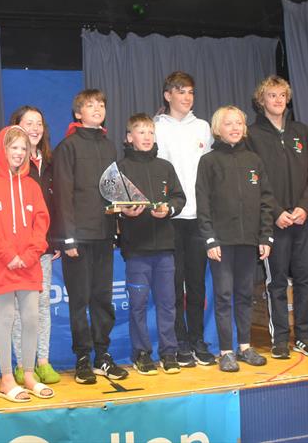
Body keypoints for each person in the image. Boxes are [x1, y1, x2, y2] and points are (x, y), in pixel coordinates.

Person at [51, 88, 129, 384]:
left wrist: (122, 219)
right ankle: (82, 357)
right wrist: (68, 238)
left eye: (101, 104)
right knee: (80, 300)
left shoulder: (109, 146)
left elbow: (114, 192)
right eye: (90, 105)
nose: (97, 108)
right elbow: (63, 195)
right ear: (77, 113)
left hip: (104, 236)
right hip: (78, 239)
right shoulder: (67, 147)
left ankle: (102, 356)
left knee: (103, 299)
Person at [0, 126, 54, 402]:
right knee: (6, 318)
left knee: (31, 318)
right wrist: (9, 255)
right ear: (2, 150)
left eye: (23, 149)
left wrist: (31, 254)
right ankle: (7, 379)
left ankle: (28, 374)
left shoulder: (32, 186)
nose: (19, 153)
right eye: (14, 148)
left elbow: (41, 222)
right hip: (0, 263)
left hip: (29, 263)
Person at [246, 76, 308, 359]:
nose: (277, 100)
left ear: (287, 99)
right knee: (276, 282)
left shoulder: (301, 131)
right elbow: (254, 179)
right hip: (273, 223)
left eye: (282, 95)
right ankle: (279, 338)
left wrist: (304, 207)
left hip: (303, 221)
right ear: (261, 100)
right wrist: (276, 212)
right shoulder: (252, 135)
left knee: (305, 279)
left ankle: (303, 336)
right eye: (271, 95)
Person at [196, 106, 274, 372]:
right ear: (218, 128)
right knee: (224, 295)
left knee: (244, 294)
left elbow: (266, 200)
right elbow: (203, 203)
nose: (234, 128)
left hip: (249, 241)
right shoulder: (209, 161)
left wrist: (265, 236)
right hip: (221, 242)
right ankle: (226, 351)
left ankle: (244, 347)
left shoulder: (255, 160)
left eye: (239, 123)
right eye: (229, 124)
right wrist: (209, 239)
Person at [154, 71, 216, 367]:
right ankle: (178, 341)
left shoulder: (204, 127)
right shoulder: (156, 127)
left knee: (197, 285)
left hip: (198, 218)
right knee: (173, 285)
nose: (187, 97)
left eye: (191, 92)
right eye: (181, 91)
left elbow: (212, 171)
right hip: (169, 219)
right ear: (168, 95)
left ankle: (197, 339)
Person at [118, 114, 186, 375]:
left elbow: (179, 197)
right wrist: (126, 211)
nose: (147, 137)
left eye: (150, 132)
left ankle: (169, 352)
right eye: (141, 132)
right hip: (136, 249)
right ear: (129, 138)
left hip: (165, 249)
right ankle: (142, 353)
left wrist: (168, 209)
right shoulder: (121, 167)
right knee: (138, 304)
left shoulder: (165, 167)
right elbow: (111, 204)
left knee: (168, 303)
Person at [8, 106, 61, 385]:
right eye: (28, 123)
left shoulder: (49, 163)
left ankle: (43, 361)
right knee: (19, 309)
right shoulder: (10, 164)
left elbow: (56, 204)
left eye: (39, 123)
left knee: (41, 306)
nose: (35, 128)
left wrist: (57, 239)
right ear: (15, 126)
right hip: (18, 251)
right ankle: (22, 363)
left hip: (44, 248)